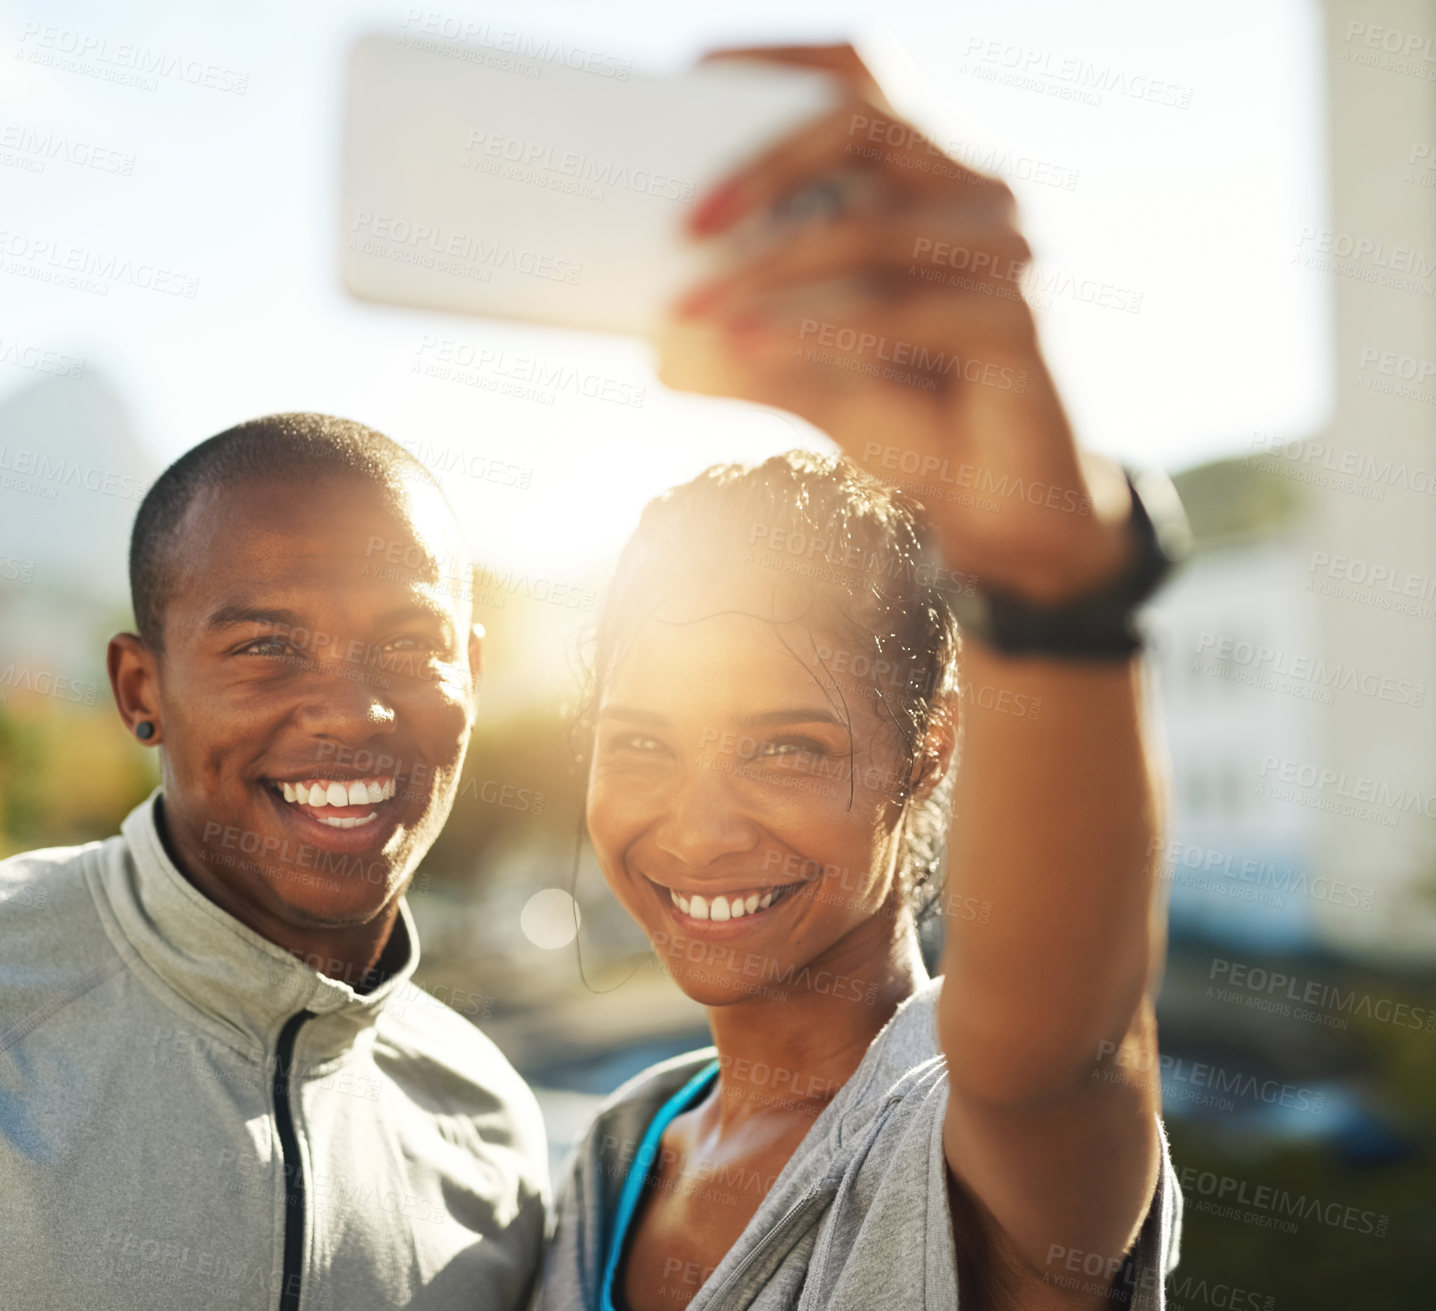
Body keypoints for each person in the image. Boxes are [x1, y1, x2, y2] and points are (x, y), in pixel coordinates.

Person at [538, 45, 1185, 1311]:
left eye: (785, 746)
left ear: (928, 748)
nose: (700, 823)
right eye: (643, 742)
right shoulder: (614, 1151)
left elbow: (1058, 1055)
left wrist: (1049, 583)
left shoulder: (968, 1134)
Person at [0, 413, 547, 1310]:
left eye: (409, 646)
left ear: (473, 681)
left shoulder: (490, 1131)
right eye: (267, 647)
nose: (352, 712)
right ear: (143, 690)